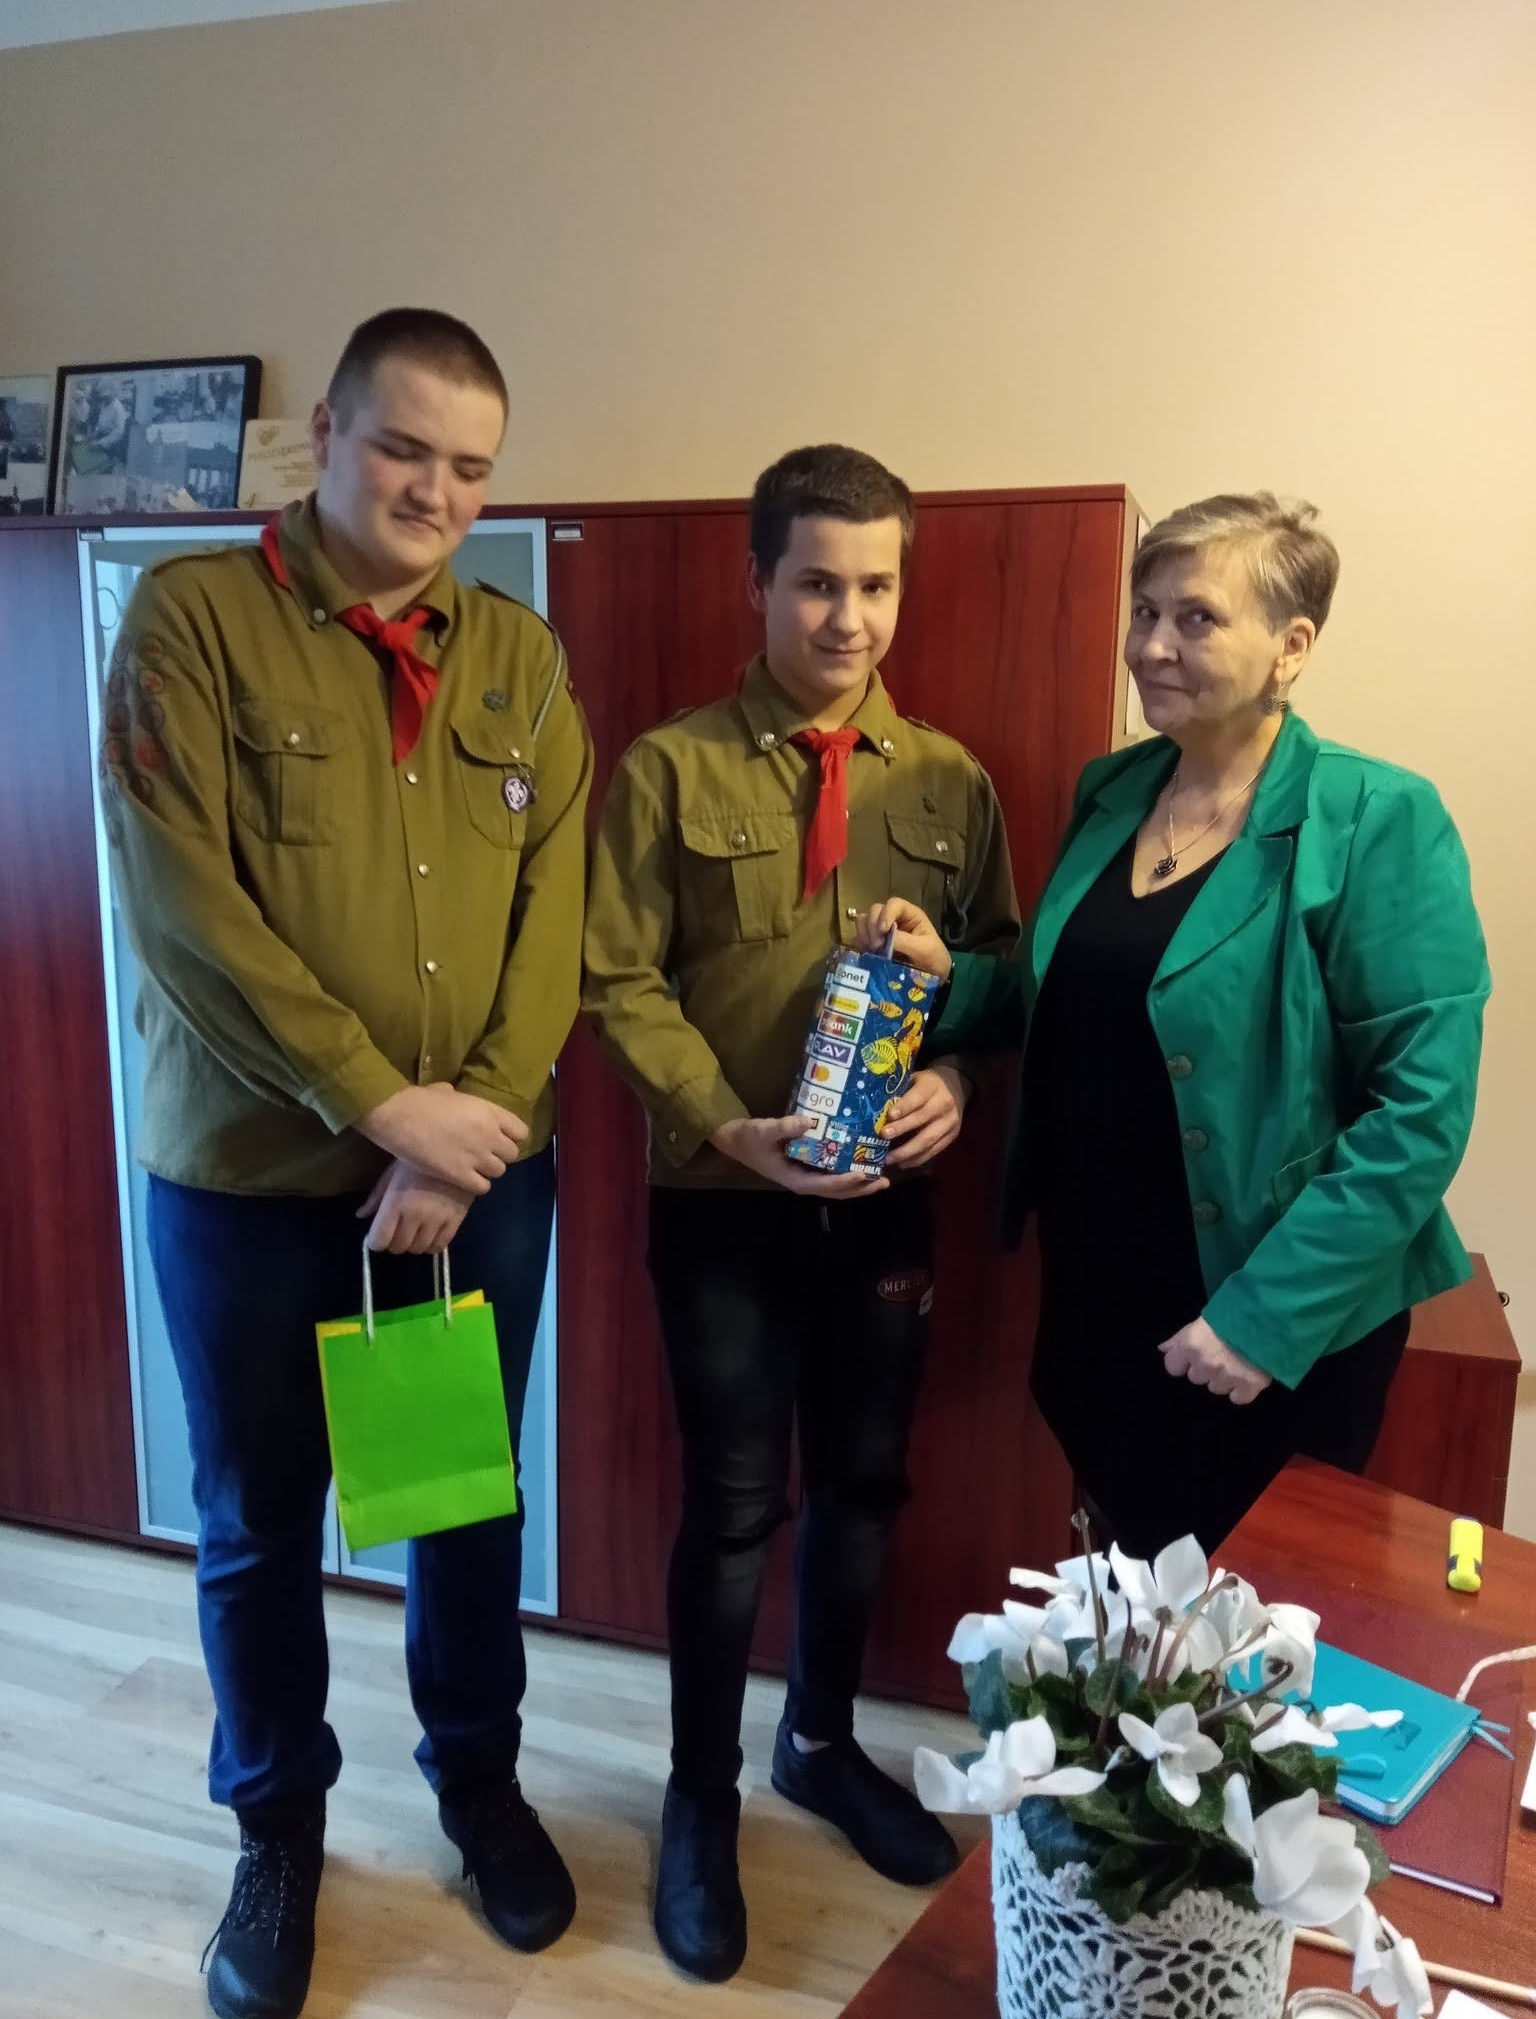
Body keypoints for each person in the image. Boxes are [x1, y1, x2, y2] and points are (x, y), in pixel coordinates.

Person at [101, 307, 593, 2019]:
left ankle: (479, 1782)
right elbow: (188, 912)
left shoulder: (519, 658)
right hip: (250, 1182)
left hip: (474, 1184)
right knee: (258, 1520)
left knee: (457, 1494)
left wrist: (473, 1130)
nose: (434, 491)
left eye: (470, 467)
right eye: (402, 449)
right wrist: (387, 1107)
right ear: (327, 433)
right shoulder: (193, 622)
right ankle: (278, 1831)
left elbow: (553, 915)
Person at [582, 444, 1021, 1981]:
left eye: (877, 585)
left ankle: (820, 1745)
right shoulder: (670, 769)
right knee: (730, 1508)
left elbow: (999, 968)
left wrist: (955, 1076)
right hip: (724, 1200)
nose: (851, 618)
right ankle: (700, 1801)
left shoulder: (950, 780)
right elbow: (614, 978)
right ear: (759, 579)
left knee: (866, 1486)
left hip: (885, 1202)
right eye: (820, 583)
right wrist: (726, 1124)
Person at [861, 492, 1489, 1559]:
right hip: (1100, 1287)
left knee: (1243, 1621)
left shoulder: (1376, 816)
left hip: (1261, 1314)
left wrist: (1264, 1316)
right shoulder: (1115, 791)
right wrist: (949, 982)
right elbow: (1081, 1004)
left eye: (1197, 618)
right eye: (1145, 611)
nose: (1151, 645)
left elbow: (1419, 1113)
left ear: (1292, 646)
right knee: (1126, 1595)